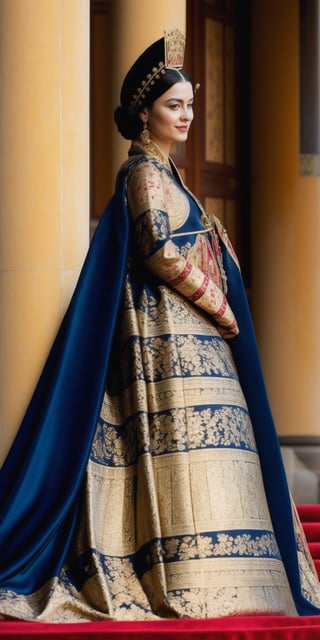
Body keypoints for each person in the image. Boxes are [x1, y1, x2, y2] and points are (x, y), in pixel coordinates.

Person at [0, 29, 320, 622]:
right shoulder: (144, 174)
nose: (188, 116)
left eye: (191, 105)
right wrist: (223, 311)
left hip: (190, 336)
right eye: (174, 105)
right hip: (162, 340)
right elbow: (158, 249)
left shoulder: (171, 176)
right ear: (145, 112)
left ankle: (228, 578)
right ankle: (186, 577)